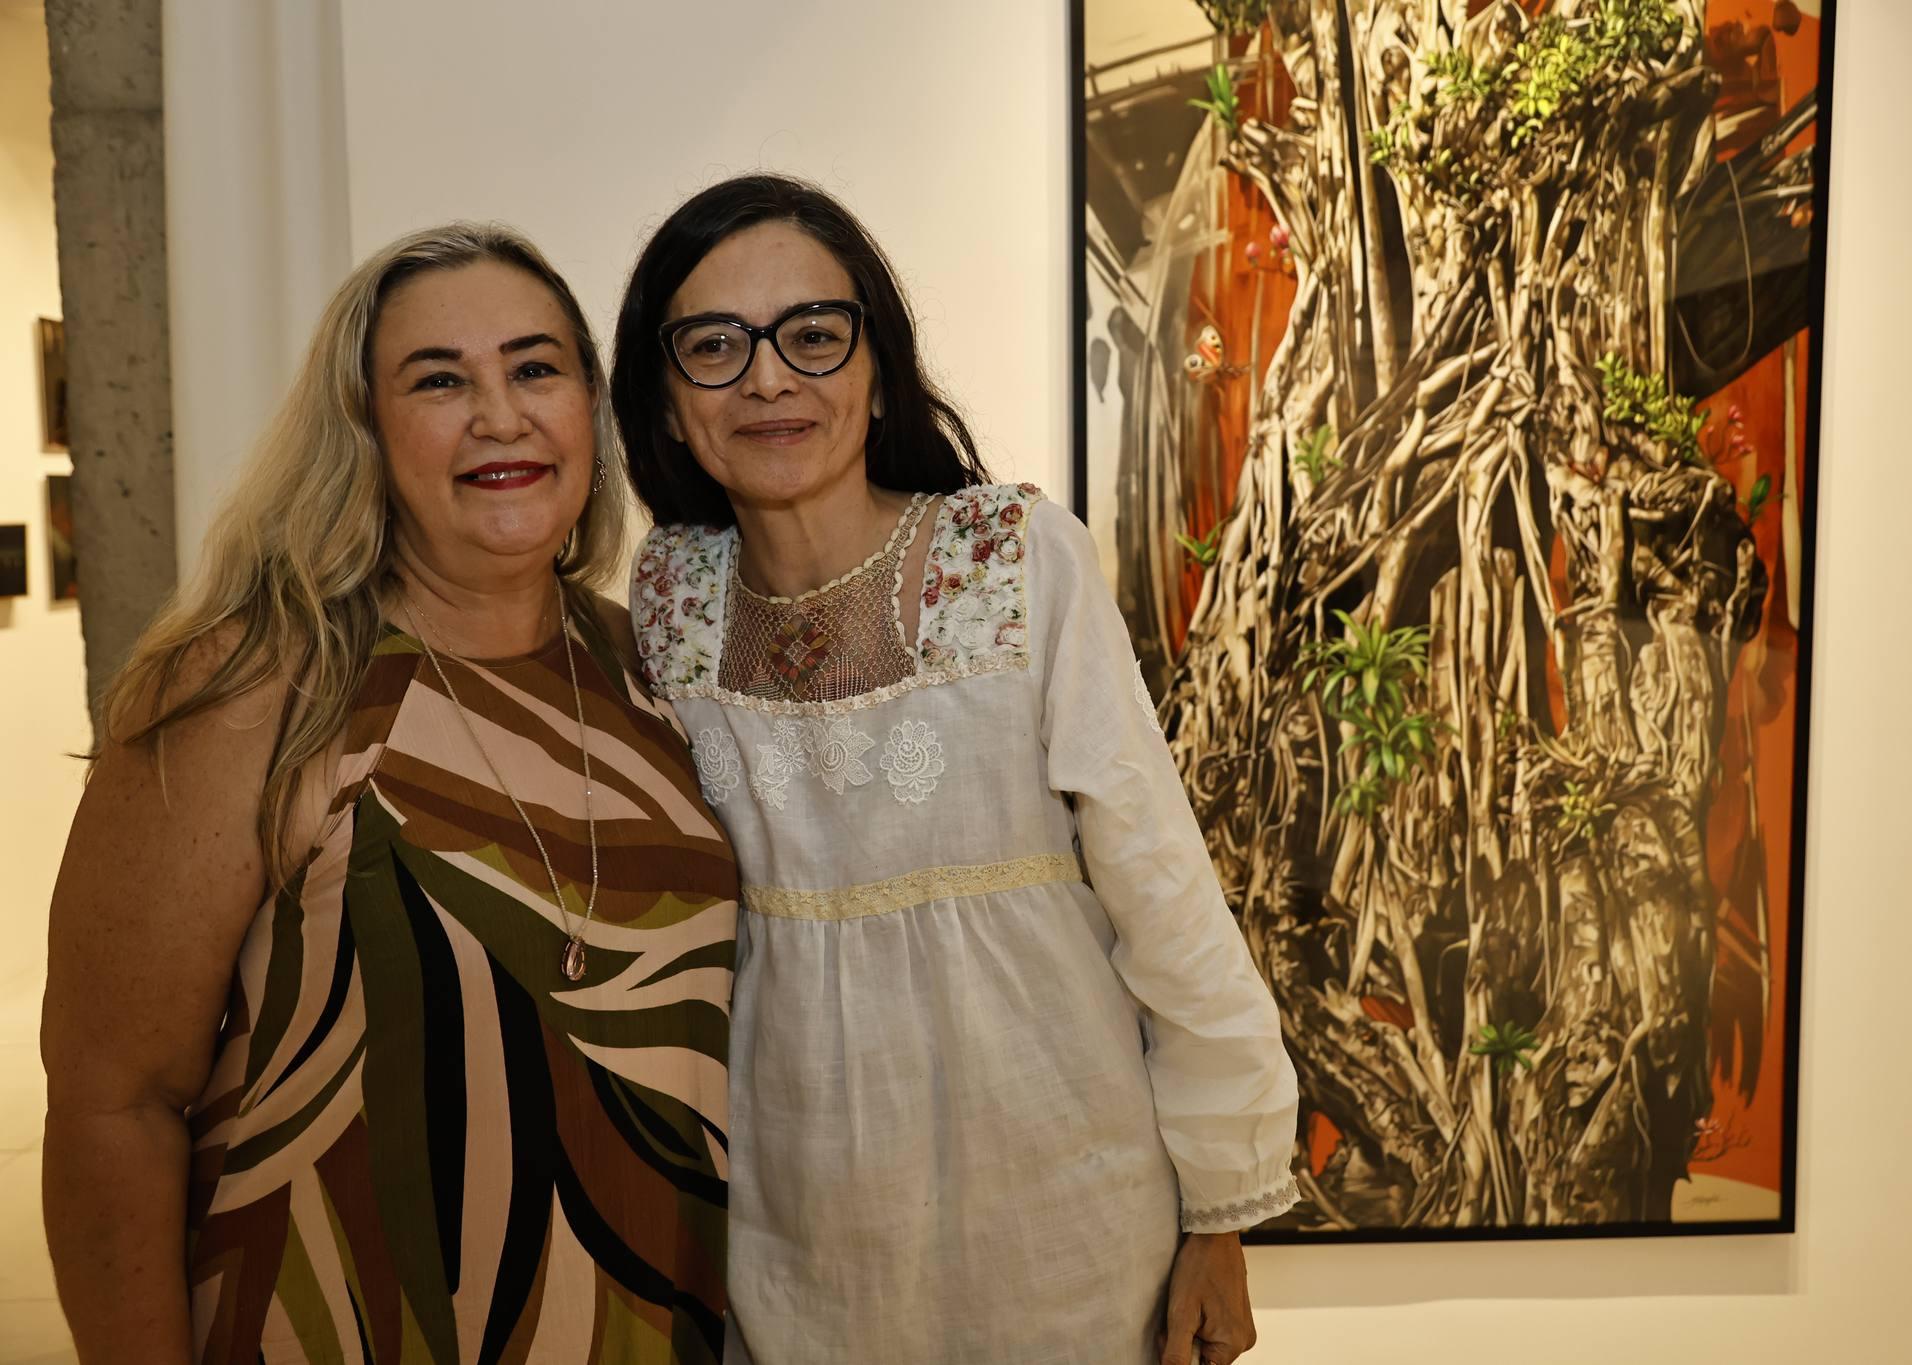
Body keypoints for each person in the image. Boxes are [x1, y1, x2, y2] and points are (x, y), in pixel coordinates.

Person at [613, 174, 1299, 1365]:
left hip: (1065, 1213)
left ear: (878, 372)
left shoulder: (1015, 556)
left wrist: (1218, 1213)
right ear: (665, 403)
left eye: (813, 335)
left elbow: (1162, 890)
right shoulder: (668, 602)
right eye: (713, 346)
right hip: (794, 1225)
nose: (768, 379)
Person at [42, 224, 740, 1364]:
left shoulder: (652, 672)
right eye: (438, 380)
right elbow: (113, 1103)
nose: (500, 416)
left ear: (589, 408)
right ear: (364, 428)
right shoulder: (255, 686)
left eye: (534, 367)